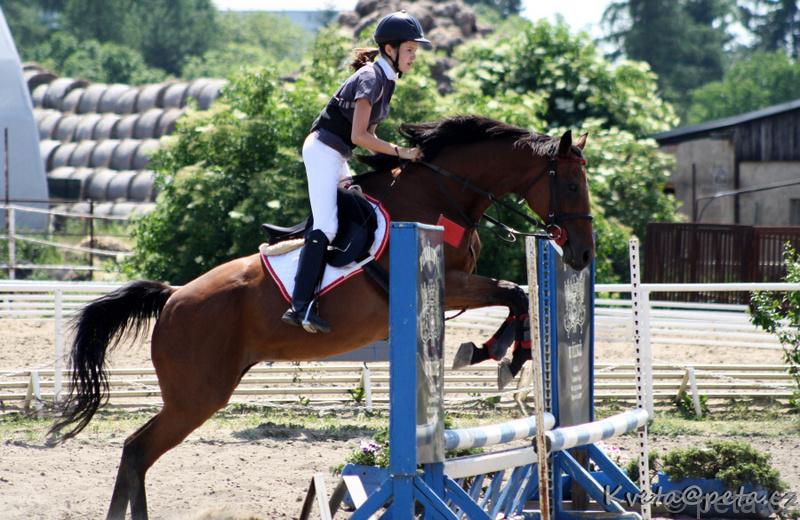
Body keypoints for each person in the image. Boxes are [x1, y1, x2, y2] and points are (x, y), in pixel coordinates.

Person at [281, 11, 431, 334]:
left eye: (415, 51)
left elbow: (369, 137)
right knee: (327, 225)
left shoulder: (386, 81)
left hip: (336, 154)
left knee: (361, 210)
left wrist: (399, 161)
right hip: (323, 150)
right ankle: (300, 304)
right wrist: (402, 152)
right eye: (410, 50)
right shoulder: (370, 77)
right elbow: (359, 136)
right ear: (390, 49)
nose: (414, 57)